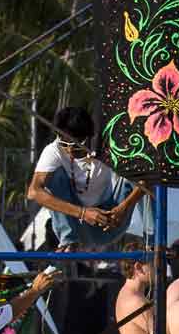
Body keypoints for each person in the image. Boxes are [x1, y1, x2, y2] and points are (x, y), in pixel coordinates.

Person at [25, 107, 146, 250]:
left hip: (111, 218)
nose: (69, 151)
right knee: (53, 177)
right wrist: (83, 213)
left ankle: (154, 240)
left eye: (75, 146)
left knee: (141, 174)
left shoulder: (110, 145)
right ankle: (68, 241)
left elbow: (146, 180)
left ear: (90, 137)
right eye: (64, 144)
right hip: (77, 222)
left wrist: (123, 208)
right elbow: (33, 192)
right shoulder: (54, 150)